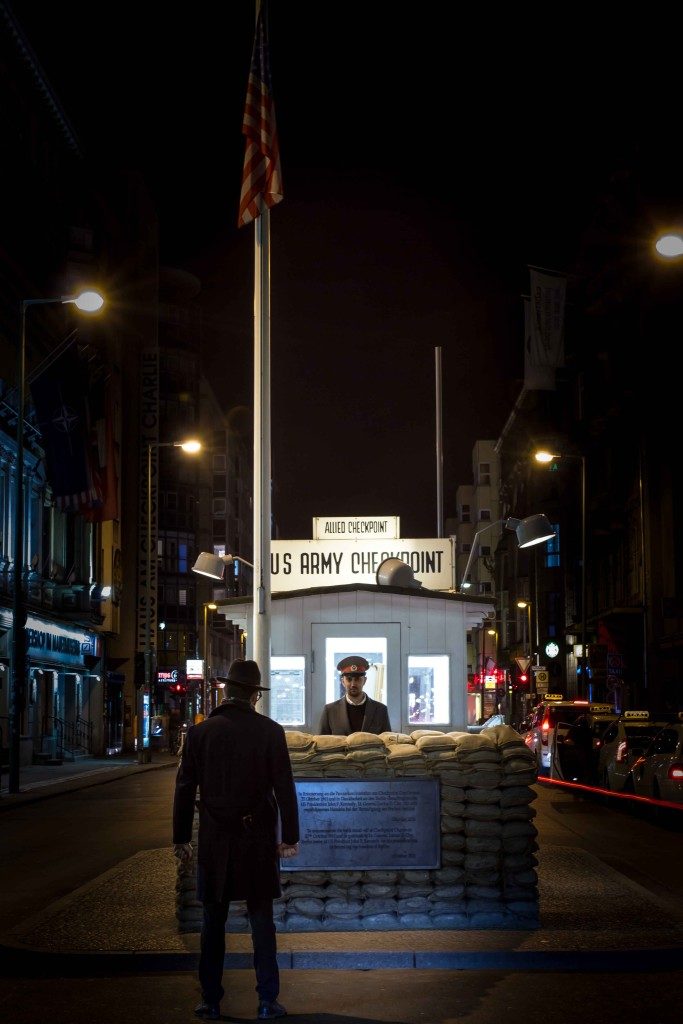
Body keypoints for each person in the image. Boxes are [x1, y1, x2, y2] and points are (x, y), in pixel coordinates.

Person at [173, 658, 300, 1021]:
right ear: (254, 696)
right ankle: (266, 1000)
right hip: (257, 837)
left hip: (214, 839)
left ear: (225, 691)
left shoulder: (199, 734)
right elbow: (284, 788)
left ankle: (210, 1000)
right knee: (262, 920)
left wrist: (181, 838)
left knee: (213, 921)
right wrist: (289, 836)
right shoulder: (270, 732)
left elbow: (184, 789)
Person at [317, 655, 391, 735]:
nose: (353, 684)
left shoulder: (380, 710)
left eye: (357, 679)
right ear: (343, 681)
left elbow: (388, 742)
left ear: (365, 680)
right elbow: (321, 744)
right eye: (349, 679)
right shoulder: (330, 711)